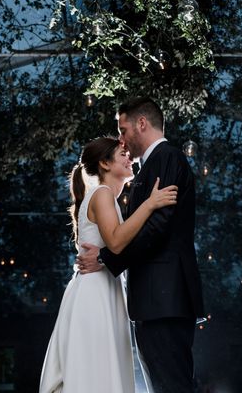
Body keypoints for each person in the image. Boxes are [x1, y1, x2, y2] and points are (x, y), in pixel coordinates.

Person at [77, 97, 205, 393]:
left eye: (123, 130)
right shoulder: (153, 165)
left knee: (172, 385)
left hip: (165, 297)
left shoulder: (167, 158)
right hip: (158, 299)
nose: (121, 139)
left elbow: (158, 227)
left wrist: (108, 259)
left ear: (142, 124)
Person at [39, 136, 178, 393]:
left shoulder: (105, 197)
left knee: (102, 369)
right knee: (96, 370)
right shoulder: (102, 194)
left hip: (104, 288)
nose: (130, 158)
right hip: (95, 294)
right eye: (122, 154)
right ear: (104, 163)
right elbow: (115, 242)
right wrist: (151, 203)